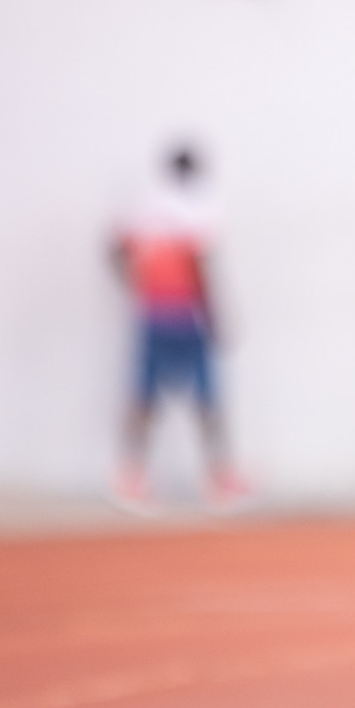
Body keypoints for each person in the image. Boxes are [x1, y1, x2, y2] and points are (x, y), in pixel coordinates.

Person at [112, 145, 246, 506]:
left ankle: (132, 477)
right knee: (206, 398)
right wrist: (215, 315)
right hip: (186, 313)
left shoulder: (145, 208)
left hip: (153, 311)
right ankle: (220, 478)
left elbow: (116, 247)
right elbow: (201, 265)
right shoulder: (198, 208)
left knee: (145, 397)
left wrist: (133, 283)